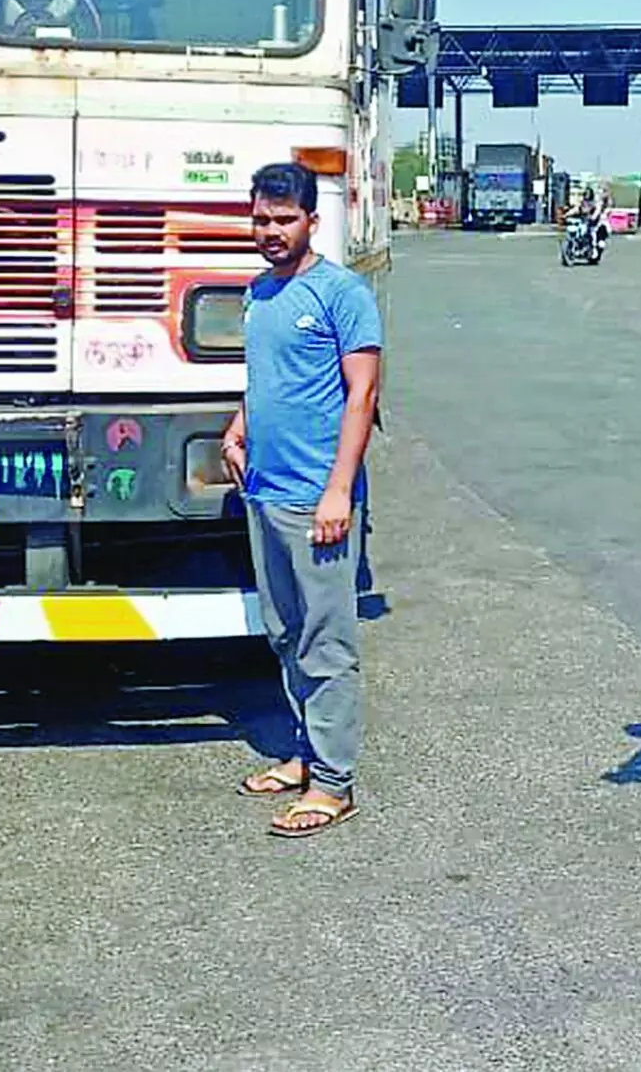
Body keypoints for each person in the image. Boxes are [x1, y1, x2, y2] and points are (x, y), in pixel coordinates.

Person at [222, 160, 383, 838]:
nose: (270, 231)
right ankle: (303, 752)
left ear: (311, 222)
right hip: (264, 487)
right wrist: (238, 427)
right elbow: (264, 378)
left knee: (325, 641)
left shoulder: (341, 293)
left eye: (284, 220)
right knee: (284, 632)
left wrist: (338, 490)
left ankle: (333, 782)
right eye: (261, 219)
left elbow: (362, 394)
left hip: (318, 497)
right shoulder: (259, 292)